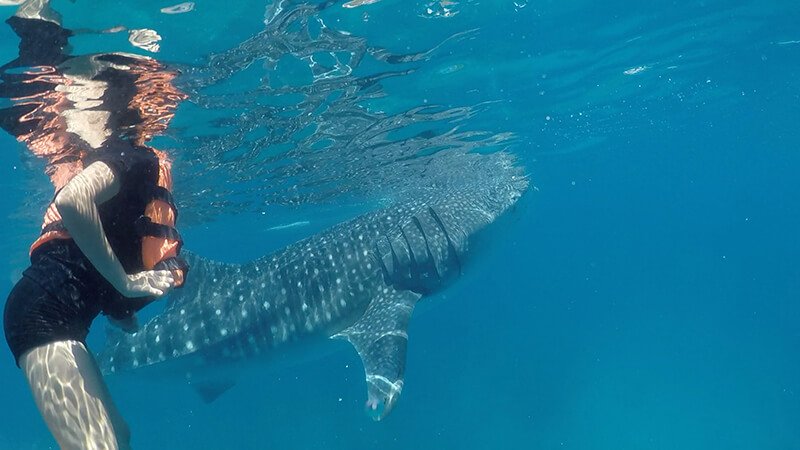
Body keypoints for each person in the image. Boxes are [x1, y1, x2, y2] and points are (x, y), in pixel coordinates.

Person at [0, 0, 189, 448]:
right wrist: (125, 282)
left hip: (59, 316)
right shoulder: (133, 156)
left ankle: (39, 25)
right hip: (43, 318)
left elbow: (96, 251)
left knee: (115, 438)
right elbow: (73, 201)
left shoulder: (136, 166)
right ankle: (35, 18)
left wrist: (121, 304)